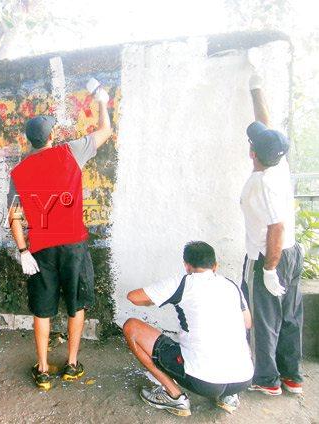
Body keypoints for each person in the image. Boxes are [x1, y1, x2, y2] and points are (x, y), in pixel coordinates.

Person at [7, 78, 112, 390]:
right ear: (51, 136)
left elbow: (13, 215)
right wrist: (102, 101)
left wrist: (23, 250)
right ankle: (71, 364)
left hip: (40, 248)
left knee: (43, 308)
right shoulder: (71, 153)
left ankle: (42, 369)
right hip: (74, 245)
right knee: (75, 305)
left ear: (29, 141)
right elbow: (105, 131)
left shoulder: (17, 172)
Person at [123, 241, 254, 417]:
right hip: (243, 379)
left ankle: (174, 396)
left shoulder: (183, 283)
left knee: (131, 326)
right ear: (215, 266)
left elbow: (133, 297)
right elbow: (247, 323)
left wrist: (158, 298)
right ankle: (228, 397)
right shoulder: (231, 285)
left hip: (204, 382)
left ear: (186, 265)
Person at [240, 71, 305, 395]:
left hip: (270, 255)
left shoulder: (262, 184)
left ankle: (267, 380)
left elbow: (275, 227)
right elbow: (265, 122)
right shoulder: (278, 162)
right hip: (292, 253)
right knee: (290, 316)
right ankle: (292, 375)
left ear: (253, 152)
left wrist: (267, 270)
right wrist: (255, 86)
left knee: (264, 319)